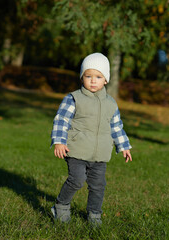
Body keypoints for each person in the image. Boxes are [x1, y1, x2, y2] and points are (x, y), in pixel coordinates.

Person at [50, 52, 132, 227]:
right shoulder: (73, 98)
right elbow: (61, 120)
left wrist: (124, 146)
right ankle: (61, 206)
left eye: (98, 76)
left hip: (100, 154)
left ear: (106, 80)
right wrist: (59, 141)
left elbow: (116, 127)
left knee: (98, 186)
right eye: (88, 76)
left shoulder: (111, 103)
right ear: (82, 77)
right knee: (77, 180)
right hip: (76, 150)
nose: (93, 80)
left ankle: (94, 214)